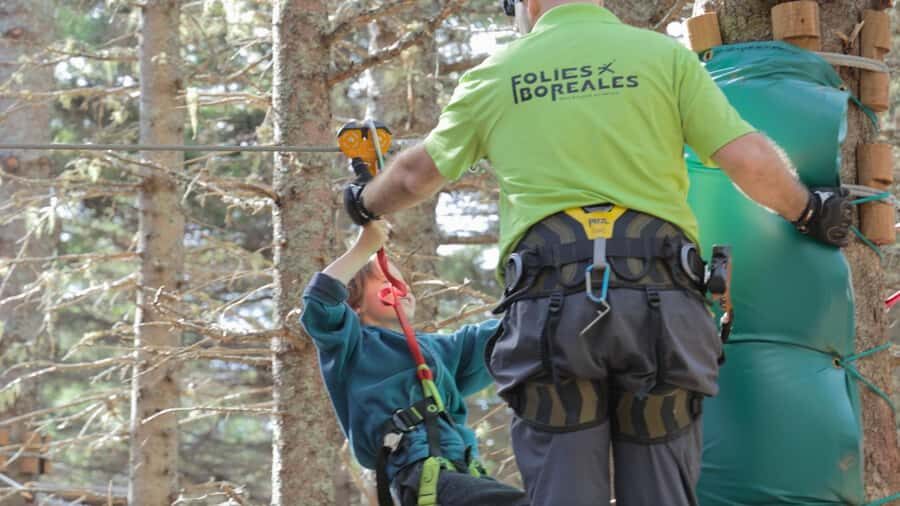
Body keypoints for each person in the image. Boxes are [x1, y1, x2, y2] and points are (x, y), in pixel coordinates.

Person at [340, 1, 853, 505]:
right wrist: (809, 209)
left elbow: (414, 175)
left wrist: (365, 201)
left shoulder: (497, 74)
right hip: (661, 315)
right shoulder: (661, 57)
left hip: (550, 319)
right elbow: (745, 157)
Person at [300, 220, 529, 506]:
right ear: (354, 303)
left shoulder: (436, 350)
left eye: (404, 283)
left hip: (461, 472)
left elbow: (496, 337)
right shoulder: (352, 344)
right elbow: (319, 303)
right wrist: (363, 249)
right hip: (419, 475)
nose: (402, 288)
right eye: (388, 281)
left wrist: (540, 298)